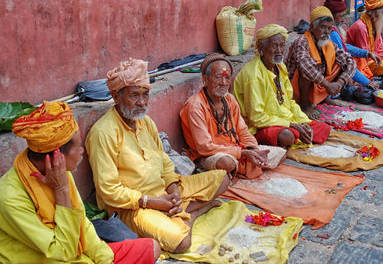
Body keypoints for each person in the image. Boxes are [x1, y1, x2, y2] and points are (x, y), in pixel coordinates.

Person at [86, 58, 230, 254]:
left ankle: (179, 211)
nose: (142, 102)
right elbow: (108, 191)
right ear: (116, 96)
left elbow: (164, 160)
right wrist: (150, 202)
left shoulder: (146, 122)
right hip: (133, 208)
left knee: (222, 178)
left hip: (163, 192)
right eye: (135, 95)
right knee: (182, 243)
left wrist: (173, 190)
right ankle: (191, 213)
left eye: (145, 95)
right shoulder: (103, 133)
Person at [0, 101, 160, 263]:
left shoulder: (60, 172)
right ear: (57, 157)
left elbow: (83, 224)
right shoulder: (10, 197)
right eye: (78, 148)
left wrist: (105, 260)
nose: (82, 151)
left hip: (78, 255)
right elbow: (62, 252)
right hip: (53, 258)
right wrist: (61, 191)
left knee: (152, 247)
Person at [180, 53, 287, 180]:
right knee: (227, 163)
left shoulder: (229, 99)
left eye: (227, 78)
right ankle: (223, 168)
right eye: (218, 77)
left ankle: (244, 166)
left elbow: (243, 131)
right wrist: (241, 153)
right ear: (205, 79)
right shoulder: (195, 106)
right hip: (209, 155)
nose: (223, 83)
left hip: (236, 149)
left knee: (281, 153)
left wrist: (253, 149)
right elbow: (204, 147)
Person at [234, 24, 331, 149]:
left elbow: (289, 102)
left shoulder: (280, 67)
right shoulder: (253, 75)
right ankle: (290, 139)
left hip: (284, 120)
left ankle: (296, 136)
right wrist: (291, 125)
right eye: (275, 46)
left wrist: (302, 122)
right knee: (287, 135)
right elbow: (256, 118)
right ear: (261, 48)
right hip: (259, 127)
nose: (279, 50)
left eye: (282, 45)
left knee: (324, 128)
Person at [286, 6, 357, 119]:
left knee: (339, 63)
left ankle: (323, 98)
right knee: (307, 68)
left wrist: (340, 82)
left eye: (329, 28)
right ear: (312, 27)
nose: (326, 32)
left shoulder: (328, 43)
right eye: (322, 27)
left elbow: (350, 62)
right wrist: (328, 85)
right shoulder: (302, 41)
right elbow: (305, 66)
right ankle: (304, 104)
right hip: (293, 86)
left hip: (318, 84)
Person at [324, 0, 381, 88]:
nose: (343, 20)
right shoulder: (332, 33)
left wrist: (367, 53)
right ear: (332, 16)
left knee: (359, 60)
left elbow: (344, 46)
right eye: (341, 16)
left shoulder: (334, 30)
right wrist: (367, 82)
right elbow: (345, 62)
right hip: (328, 74)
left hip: (340, 64)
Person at [346, 0, 383, 76]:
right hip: (361, 62)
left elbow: (380, 49)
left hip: (375, 58)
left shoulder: (375, 24)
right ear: (376, 13)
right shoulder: (360, 27)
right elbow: (365, 57)